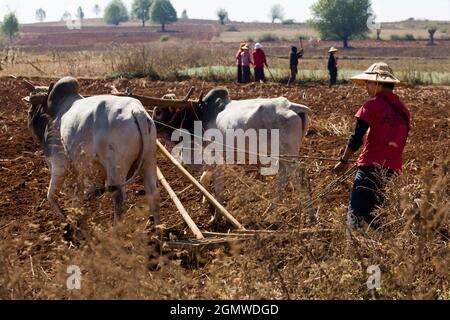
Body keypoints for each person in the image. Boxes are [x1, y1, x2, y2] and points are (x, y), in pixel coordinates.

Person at [333, 62, 412, 235]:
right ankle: (378, 254)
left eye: (368, 83)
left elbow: (355, 139)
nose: (366, 87)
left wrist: (343, 160)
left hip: (369, 171)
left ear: (378, 83)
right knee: (377, 219)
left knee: (355, 219)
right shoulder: (405, 112)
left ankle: (352, 256)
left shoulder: (370, 106)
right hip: (391, 172)